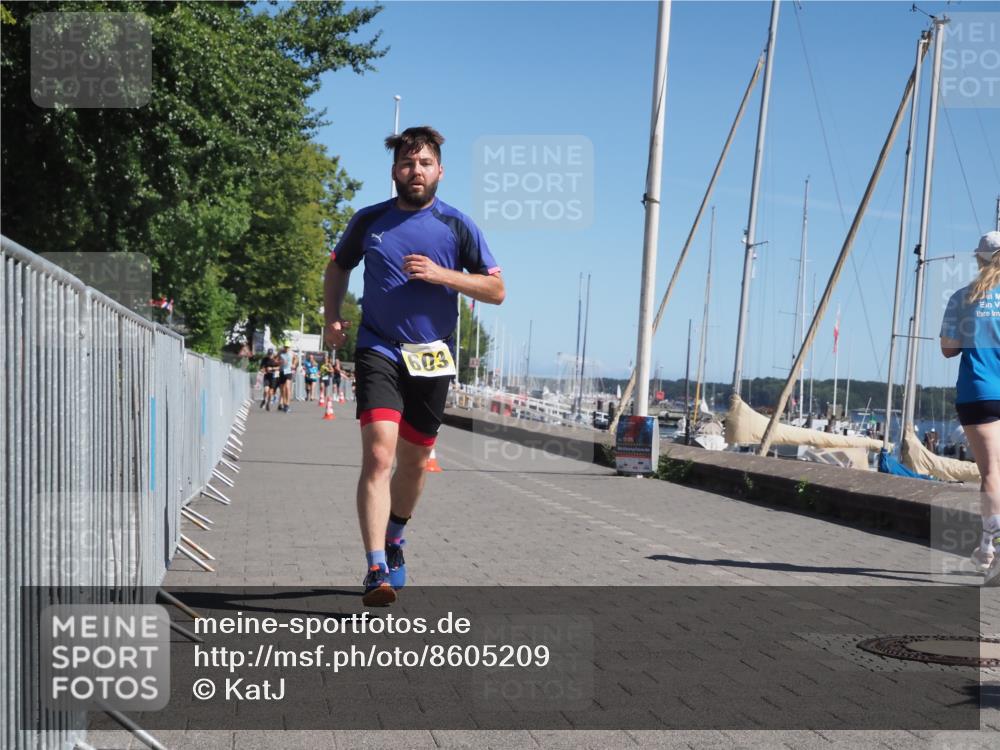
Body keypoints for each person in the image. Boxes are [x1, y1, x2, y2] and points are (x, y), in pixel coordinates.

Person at [324, 126, 505, 606]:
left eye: (424, 163)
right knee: (380, 456)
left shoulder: (457, 226)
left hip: (432, 355)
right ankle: (375, 568)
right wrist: (331, 318)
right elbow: (338, 266)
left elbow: (497, 290)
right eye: (407, 163)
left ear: (440, 170)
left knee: (414, 463)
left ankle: (396, 537)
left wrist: (443, 275)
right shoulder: (370, 221)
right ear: (394, 171)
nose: (416, 171)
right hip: (378, 347)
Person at [940, 231, 1000, 587]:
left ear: (979, 260)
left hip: (978, 392)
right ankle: (986, 546)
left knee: (991, 471)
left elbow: (948, 349)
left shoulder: (962, 298)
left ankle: (989, 548)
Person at [278, 345, 295, 413]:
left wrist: (294, 364)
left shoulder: (291, 353)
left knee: (287, 388)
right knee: (282, 389)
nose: (287, 348)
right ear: (283, 347)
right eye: (285, 347)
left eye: (288, 347)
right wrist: (279, 362)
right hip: (282, 371)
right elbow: (275, 359)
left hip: (288, 371)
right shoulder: (280, 353)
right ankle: (284, 403)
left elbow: (296, 359)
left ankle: (287, 404)